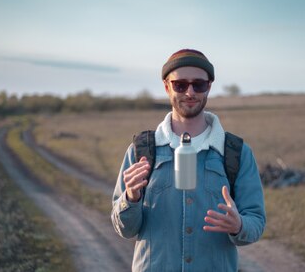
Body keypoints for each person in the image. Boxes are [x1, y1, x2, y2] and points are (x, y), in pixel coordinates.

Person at [111, 49, 266, 271]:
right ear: (167, 86)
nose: (190, 92)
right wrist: (131, 197)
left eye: (199, 84)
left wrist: (238, 225)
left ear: (209, 87)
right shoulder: (142, 150)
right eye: (180, 85)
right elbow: (125, 229)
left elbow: (256, 222)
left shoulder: (236, 153)